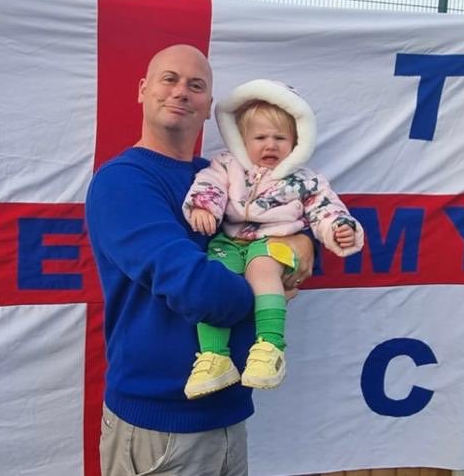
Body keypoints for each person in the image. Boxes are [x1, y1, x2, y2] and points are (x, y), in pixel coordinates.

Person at [85, 44, 314, 476]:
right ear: (142, 90)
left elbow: (284, 225)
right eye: (168, 79)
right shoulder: (123, 183)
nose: (181, 92)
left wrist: (305, 246)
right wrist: (269, 288)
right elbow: (201, 291)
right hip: (159, 424)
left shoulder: (224, 176)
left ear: (210, 107)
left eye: (196, 86)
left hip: (229, 412)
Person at [181, 79, 365, 400]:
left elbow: (325, 208)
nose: (270, 145)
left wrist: (338, 228)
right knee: (213, 276)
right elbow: (208, 183)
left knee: (262, 266)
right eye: (261, 137)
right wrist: (203, 206)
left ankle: (269, 346)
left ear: (296, 142)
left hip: (276, 242)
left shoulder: (304, 180)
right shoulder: (227, 165)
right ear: (242, 139)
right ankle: (214, 356)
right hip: (230, 242)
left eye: (280, 138)